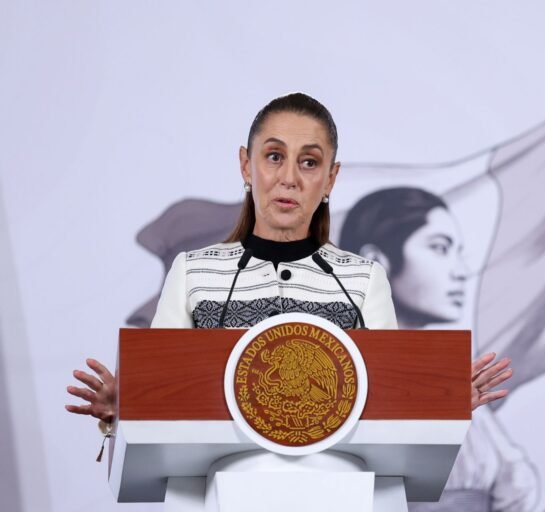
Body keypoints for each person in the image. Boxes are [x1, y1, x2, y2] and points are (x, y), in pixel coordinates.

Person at [65, 93, 512, 430]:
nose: (290, 178)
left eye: (310, 162)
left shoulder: (363, 279)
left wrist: (441, 403)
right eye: (274, 156)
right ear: (247, 166)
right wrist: (127, 409)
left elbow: (386, 405)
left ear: (331, 178)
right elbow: (160, 397)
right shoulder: (193, 272)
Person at [340, 187, 545, 512]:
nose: (460, 271)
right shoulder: (331, 390)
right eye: (440, 248)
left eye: (459, 252)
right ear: (375, 263)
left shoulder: (455, 392)